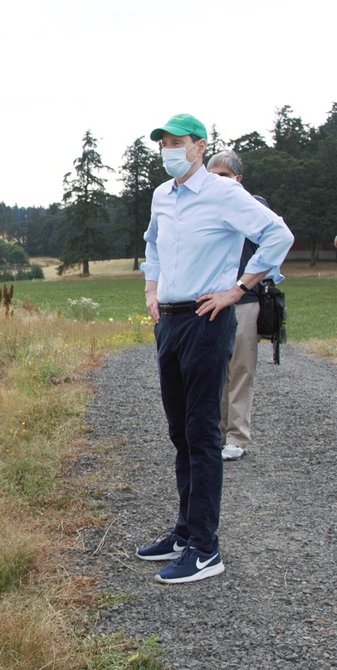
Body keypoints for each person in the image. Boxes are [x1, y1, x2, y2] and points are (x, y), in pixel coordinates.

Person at [137, 113, 293, 584]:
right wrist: (151, 290)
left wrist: (238, 289)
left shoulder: (225, 193)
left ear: (200, 146)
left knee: (203, 432)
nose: (168, 149)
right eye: (163, 142)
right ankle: (185, 533)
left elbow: (277, 234)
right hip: (170, 319)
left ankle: (206, 548)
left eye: (177, 142)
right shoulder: (162, 196)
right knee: (179, 432)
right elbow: (154, 245)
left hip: (209, 317)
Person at [207, 150, 281, 461]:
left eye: (223, 176)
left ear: (238, 180)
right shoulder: (204, 210)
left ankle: (236, 437)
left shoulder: (254, 206)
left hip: (244, 299)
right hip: (209, 300)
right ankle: (217, 432)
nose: (216, 182)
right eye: (212, 176)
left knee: (239, 369)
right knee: (212, 370)